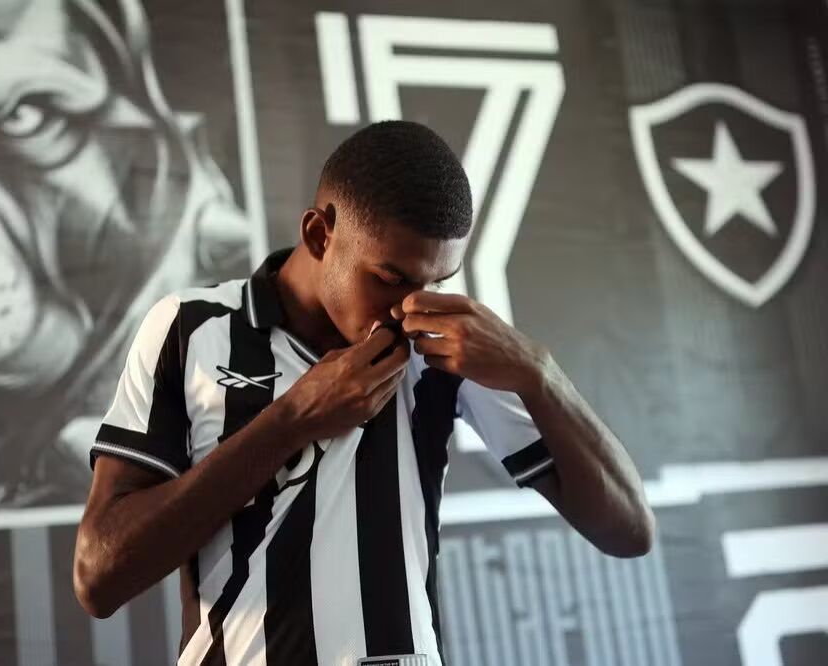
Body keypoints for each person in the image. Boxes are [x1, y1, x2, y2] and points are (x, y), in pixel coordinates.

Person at [74, 120, 654, 665]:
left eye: (437, 282)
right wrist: (294, 418)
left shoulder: (446, 342)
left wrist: (539, 372)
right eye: (391, 279)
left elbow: (628, 529)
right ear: (319, 234)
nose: (411, 306)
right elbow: (99, 578)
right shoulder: (191, 327)